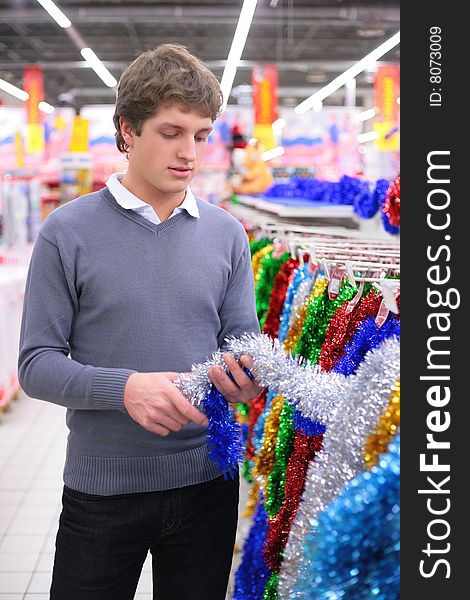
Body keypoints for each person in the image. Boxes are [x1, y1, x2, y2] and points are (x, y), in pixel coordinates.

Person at [18, 43, 261, 600]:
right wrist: (123, 388)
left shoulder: (227, 234)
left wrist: (248, 377)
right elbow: (36, 366)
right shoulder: (68, 232)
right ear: (127, 130)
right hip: (103, 491)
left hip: (208, 484)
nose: (190, 152)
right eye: (171, 132)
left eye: (201, 135)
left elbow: (242, 342)